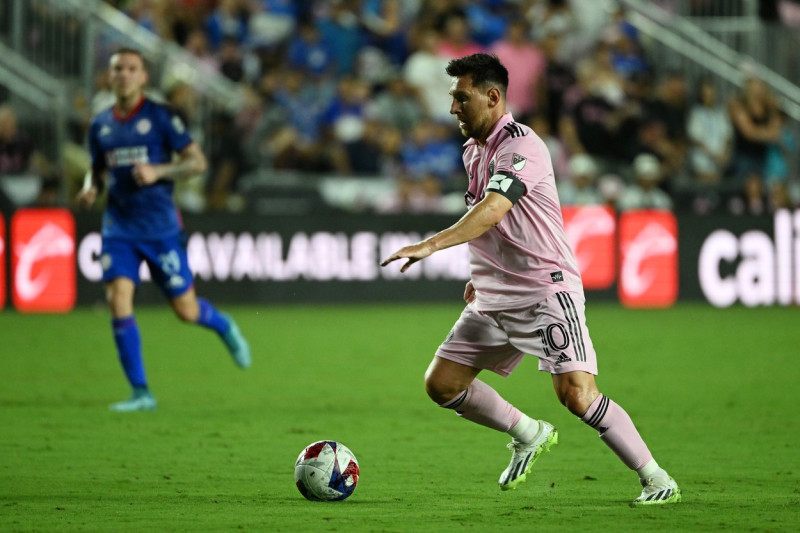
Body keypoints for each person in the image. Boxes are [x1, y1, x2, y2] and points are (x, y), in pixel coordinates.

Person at [381, 53, 680, 506]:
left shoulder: (523, 146)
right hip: (494, 295)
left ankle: (657, 479)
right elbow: (493, 224)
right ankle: (527, 432)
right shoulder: (473, 151)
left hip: (544, 290)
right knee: (442, 384)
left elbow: (493, 209)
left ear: (492, 97)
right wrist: (480, 274)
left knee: (577, 396)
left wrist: (431, 244)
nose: (453, 108)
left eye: (461, 98)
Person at [76, 48, 251, 412]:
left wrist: (159, 171)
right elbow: (97, 168)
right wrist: (91, 186)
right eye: (118, 69)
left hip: (160, 230)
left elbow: (197, 163)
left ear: (143, 77)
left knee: (186, 311)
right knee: (118, 298)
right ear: (110, 77)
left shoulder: (161, 117)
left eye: (132, 69)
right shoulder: (100, 124)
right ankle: (141, 392)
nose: (124, 74)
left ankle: (223, 325)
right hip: (119, 227)